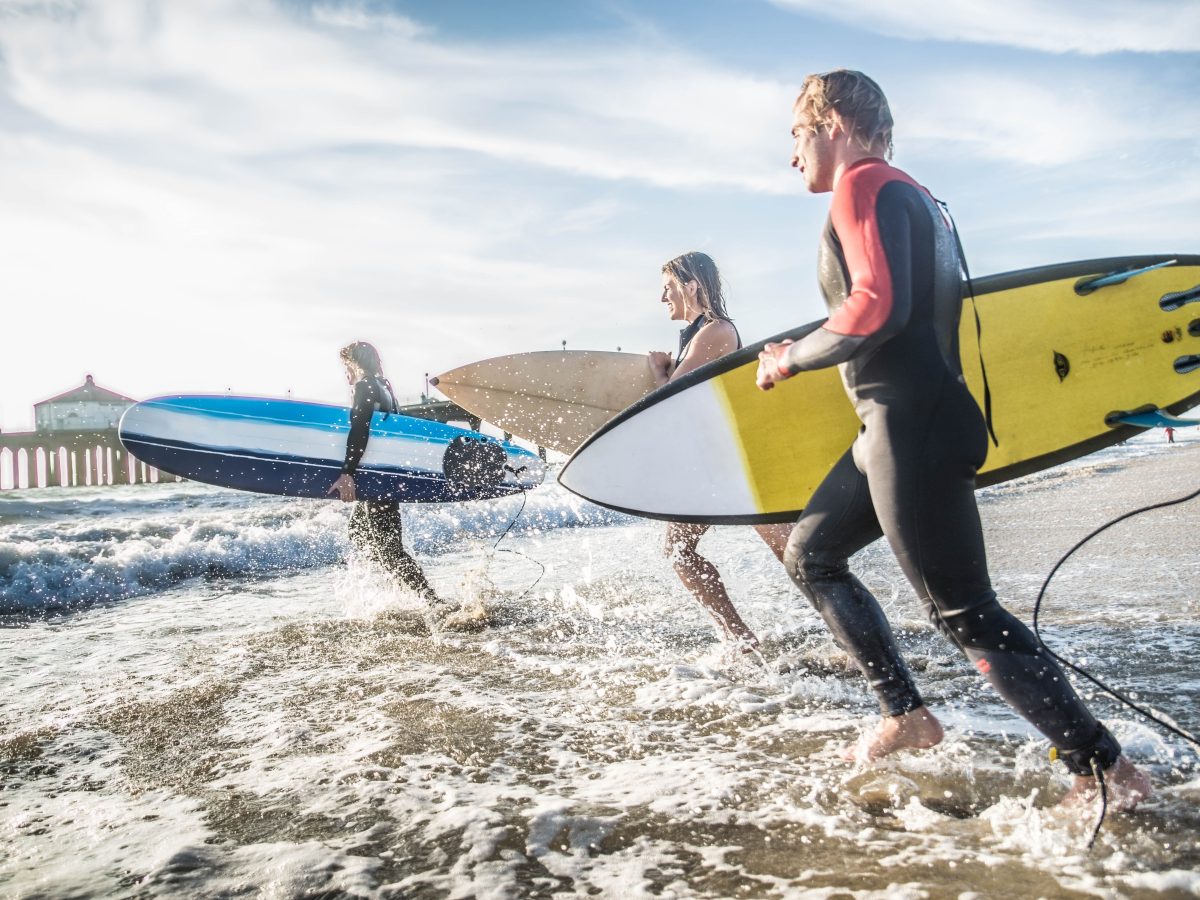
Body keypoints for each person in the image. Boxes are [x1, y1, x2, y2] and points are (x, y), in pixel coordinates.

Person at [755, 70, 1150, 807]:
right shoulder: (922, 199)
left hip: (913, 425)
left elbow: (873, 309)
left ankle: (1103, 772)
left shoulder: (863, 184)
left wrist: (789, 358)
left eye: (796, 133)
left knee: (965, 611)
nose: (792, 154)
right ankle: (905, 713)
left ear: (833, 120)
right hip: (898, 424)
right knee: (813, 554)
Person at [649, 251, 792, 651]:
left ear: (690, 285)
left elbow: (669, 401)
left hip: (739, 463)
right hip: (710, 466)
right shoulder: (697, 335)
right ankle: (740, 640)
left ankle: (857, 636)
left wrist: (659, 371)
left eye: (667, 288)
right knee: (679, 550)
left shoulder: (715, 331)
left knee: (798, 558)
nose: (663, 299)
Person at [328, 341, 442, 603]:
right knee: (358, 531)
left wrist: (347, 473)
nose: (345, 372)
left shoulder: (365, 385)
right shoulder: (384, 386)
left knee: (390, 551)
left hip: (379, 480)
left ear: (354, 363)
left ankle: (431, 601)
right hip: (382, 476)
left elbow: (360, 431)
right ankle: (401, 589)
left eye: (346, 365)